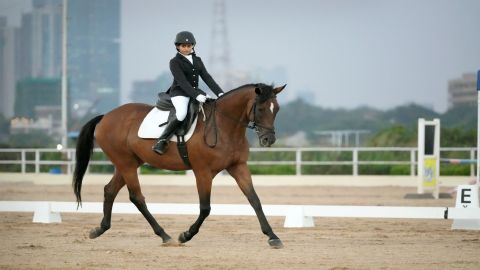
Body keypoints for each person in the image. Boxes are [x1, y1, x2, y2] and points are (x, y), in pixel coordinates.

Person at [152, 31, 224, 154]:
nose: (186, 48)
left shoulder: (197, 60)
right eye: (183, 46)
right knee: (181, 114)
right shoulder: (174, 62)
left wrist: (220, 93)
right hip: (179, 93)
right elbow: (183, 82)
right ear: (178, 47)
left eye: (189, 45)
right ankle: (162, 140)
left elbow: (207, 78)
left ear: (192, 46)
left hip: (195, 92)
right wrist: (197, 95)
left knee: (211, 108)